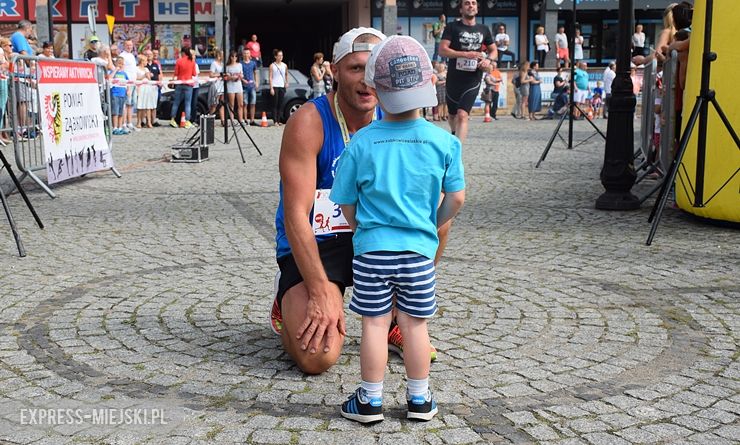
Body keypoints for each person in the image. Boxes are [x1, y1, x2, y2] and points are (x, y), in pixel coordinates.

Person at [331, 35, 465, 424]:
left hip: (372, 251)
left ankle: (370, 401)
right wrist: (429, 225)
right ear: (427, 87)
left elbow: (346, 201)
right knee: (414, 325)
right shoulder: (444, 142)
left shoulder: (361, 142)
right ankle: (420, 399)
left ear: (375, 88)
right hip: (419, 252)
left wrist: (363, 231)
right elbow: (456, 199)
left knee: (373, 324)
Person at [271, 27, 387, 375]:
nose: (367, 81)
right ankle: (288, 299)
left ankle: (397, 313)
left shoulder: (398, 118)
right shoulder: (309, 121)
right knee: (317, 357)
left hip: (375, 238)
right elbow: (295, 216)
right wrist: (321, 292)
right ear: (334, 71)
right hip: (318, 242)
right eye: (356, 69)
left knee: (439, 218)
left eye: (375, 70)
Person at [438, 0, 495, 143]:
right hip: (454, 78)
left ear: (477, 8)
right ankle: (453, 133)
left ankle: (457, 151)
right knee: (452, 115)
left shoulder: (484, 29)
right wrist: (464, 54)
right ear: (461, 9)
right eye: (467, 3)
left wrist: (488, 60)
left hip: (473, 78)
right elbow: (443, 50)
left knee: (462, 115)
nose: (471, 5)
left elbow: (493, 50)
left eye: (474, 3)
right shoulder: (452, 27)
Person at [169, 47, 196, 128]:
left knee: (176, 102)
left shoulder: (179, 61)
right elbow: (194, 73)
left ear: (183, 53)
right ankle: (187, 121)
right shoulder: (192, 61)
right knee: (188, 103)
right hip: (188, 84)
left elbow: (176, 73)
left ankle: (173, 120)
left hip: (179, 83)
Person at [120, 39, 138, 132]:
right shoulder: (122, 56)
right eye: (127, 45)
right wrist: (126, 85)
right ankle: (123, 124)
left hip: (134, 83)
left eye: (130, 45)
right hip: (127, 84)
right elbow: (122, 71)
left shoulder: (132, 55)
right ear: (124, 45)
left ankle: (130, 123)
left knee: (131, 104)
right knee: (126, 104)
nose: (129, 46)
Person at [269, 49, 288, 126]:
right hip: (275, 85)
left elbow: (286, 74)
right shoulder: (272, 65)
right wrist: (271, 88)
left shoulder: (284, 65)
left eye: (282, 55)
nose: (281, 57)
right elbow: (270, 77)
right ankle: (275, 120)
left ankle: (279, 119)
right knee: (275, 104)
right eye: (279, 55)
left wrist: (287, 82)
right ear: (275, 56)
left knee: (280, 103)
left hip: (282, 86)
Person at [135, 54, 155, 128]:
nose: (147, 62)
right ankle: (139, 122)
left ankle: (149, 122)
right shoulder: (136, 68)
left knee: (148, 106)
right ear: (142, 61)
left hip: (147, 88)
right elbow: (136, 78)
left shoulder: (146, 69)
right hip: (140, 88)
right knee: (140, 106)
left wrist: (149, 75)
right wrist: (144, 76)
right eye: (146, 60)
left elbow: (149, 78)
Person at [110, 57, 130, 135]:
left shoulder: (124, 73)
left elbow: (128, 82)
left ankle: (120, 127)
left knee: (121, 112)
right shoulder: (113, 72)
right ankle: (115, 127)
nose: (120, 65)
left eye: (122, 63)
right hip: (115, 93)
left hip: (122, 94)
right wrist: (115, 70)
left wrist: (128, 90)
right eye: (119, 63)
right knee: (115, 111)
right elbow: (110, 78)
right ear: (115, 63)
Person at [225, 50, 244, 124]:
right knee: (231, 104)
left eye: (235, 56)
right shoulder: (227, 67)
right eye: (232, 56)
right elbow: (227, 77)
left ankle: (240, 120)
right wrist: (232, 77)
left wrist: (240, 76)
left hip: (238, 85)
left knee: (240, 104)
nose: (234, 58)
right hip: (231, 85)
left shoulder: (239, 65)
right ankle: (232, 120)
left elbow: (242, 74)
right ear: (230, 57)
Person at [241, 50, 259, 125]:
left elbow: (255, 73)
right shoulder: (240, 64)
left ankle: (252, 120)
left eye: (247, 53)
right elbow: (239, 74)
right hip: (244, 86)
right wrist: (243, 80)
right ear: (243, 54)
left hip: (252, 86)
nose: (246, 54)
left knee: (253, 103)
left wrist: (256, 82)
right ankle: (245, 119)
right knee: (245, 103)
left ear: (250, 54)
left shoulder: (253, 63)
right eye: (245, 53)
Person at [208, 49, 225, 125]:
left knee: (222, 103)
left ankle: (223, 120)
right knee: (215, 103)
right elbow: (211, 74)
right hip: (216, 84)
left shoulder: (223, 64)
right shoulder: (214, 63)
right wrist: (220, 74)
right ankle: (210, 119)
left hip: (222, 84)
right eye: (221, 54)